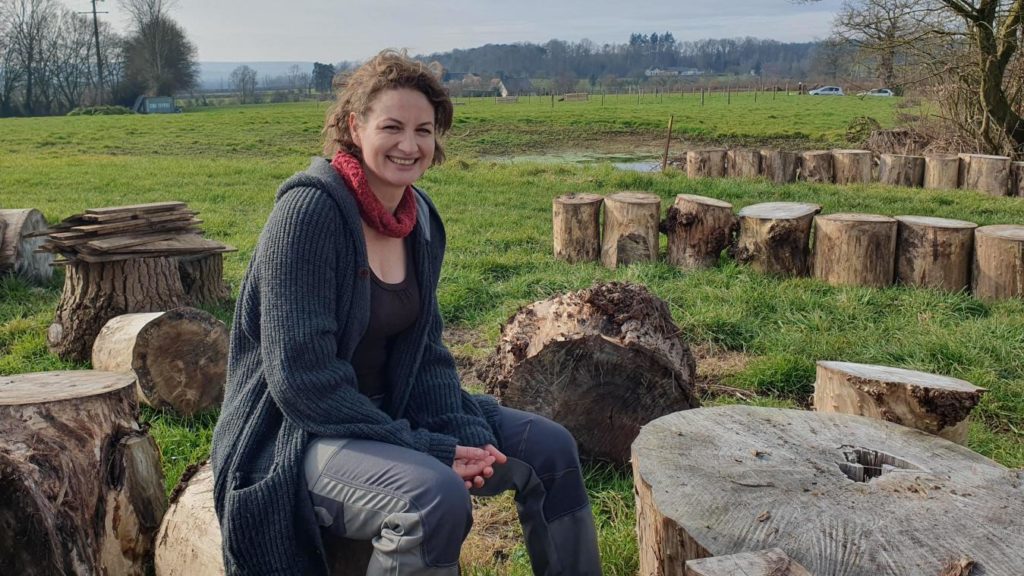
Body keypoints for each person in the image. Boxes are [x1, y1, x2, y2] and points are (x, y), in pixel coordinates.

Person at [211, 49, 602, 576]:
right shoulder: (307, 216)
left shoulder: (418, 220)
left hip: (394, 408)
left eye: (424, 129)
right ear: (355, 126)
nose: (410, 144)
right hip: (298, 430)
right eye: (392, 126)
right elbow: (301, 383)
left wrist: (458, 429)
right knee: (432, 496)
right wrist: (425, 448)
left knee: (551, 449)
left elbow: (426, 349)